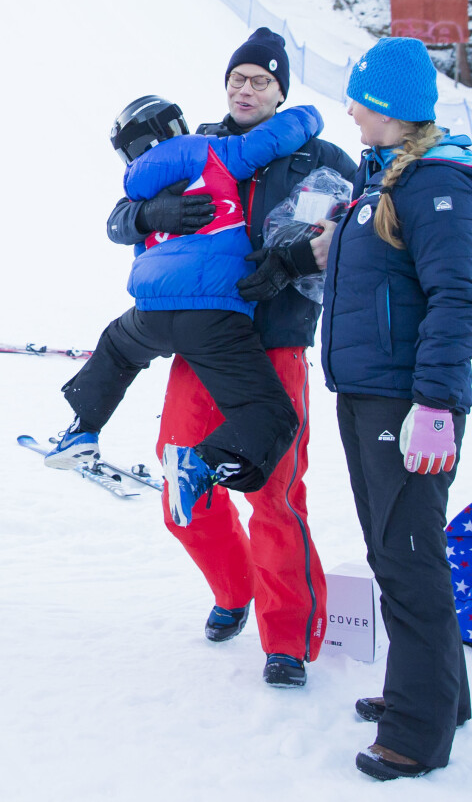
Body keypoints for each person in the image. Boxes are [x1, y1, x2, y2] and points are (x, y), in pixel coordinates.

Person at [106, 28, 358, 686]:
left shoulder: (319, 157)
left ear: (281, 91)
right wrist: (149, 215)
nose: (246, 90)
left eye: (261, 81)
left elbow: (361, 231)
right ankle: (234, 587)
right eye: (238, 79)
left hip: (276, 346)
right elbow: (118, 215)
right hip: (202, 347)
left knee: (274, 494)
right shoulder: (200, 148)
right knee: (183, 488)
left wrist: (296, 260)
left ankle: (288, 639)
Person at [321, 37, 472, 779]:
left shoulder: (437, 185)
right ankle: (440, 693)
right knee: (396, 551)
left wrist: (435, 404)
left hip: (407, 403)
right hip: (368, 394)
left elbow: (456, 300)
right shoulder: (382, 178)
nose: (350, 110)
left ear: (390, 107)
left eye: (359, 98)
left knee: (409, 557)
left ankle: (416, 732)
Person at [46, 94, 325, 525]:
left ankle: (82, 429)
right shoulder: (213, 150)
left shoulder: (136, 181)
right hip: (212, 314)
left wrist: (148, 213)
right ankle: (203, 462)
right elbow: (273, 138)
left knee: (116, 348)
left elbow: (119, 223)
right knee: (270, 413)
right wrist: (309, 115)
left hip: (150, 312)